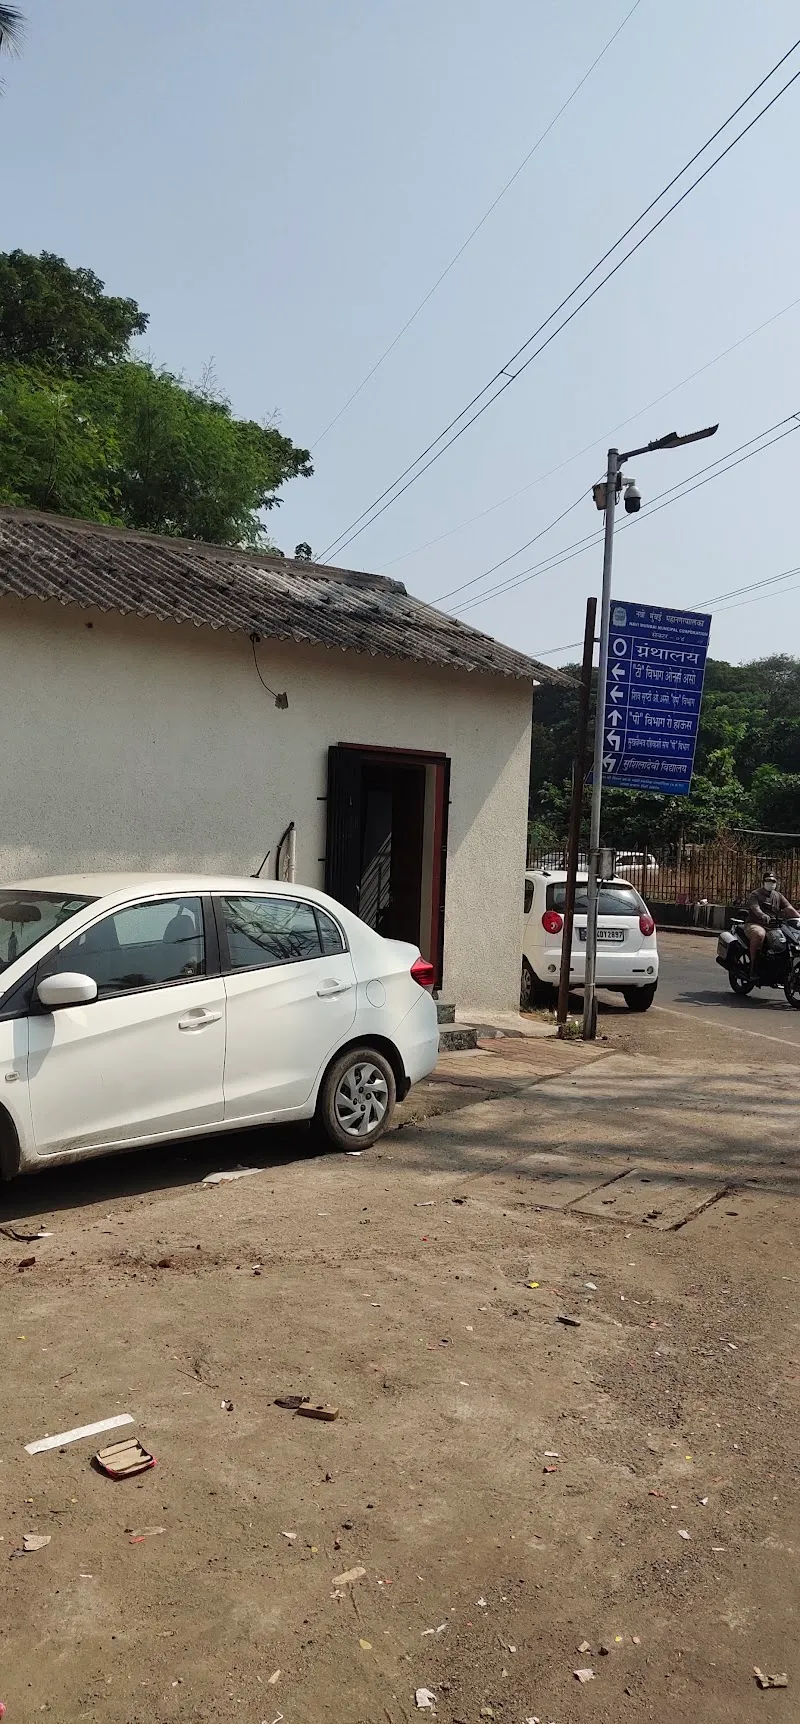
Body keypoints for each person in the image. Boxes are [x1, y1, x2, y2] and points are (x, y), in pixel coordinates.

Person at [743, 870, 800, 972]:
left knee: (786, 940)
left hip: (774, 926)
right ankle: (753, 966)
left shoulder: (778, 896)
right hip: (755, 923)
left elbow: (788, 908)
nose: (771, 883)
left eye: (773, 881)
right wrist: (762, 915)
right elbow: (755, 908)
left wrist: (798, 917)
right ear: (763, 882)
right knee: (759, 934)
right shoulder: (755, 894)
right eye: (768, 880)